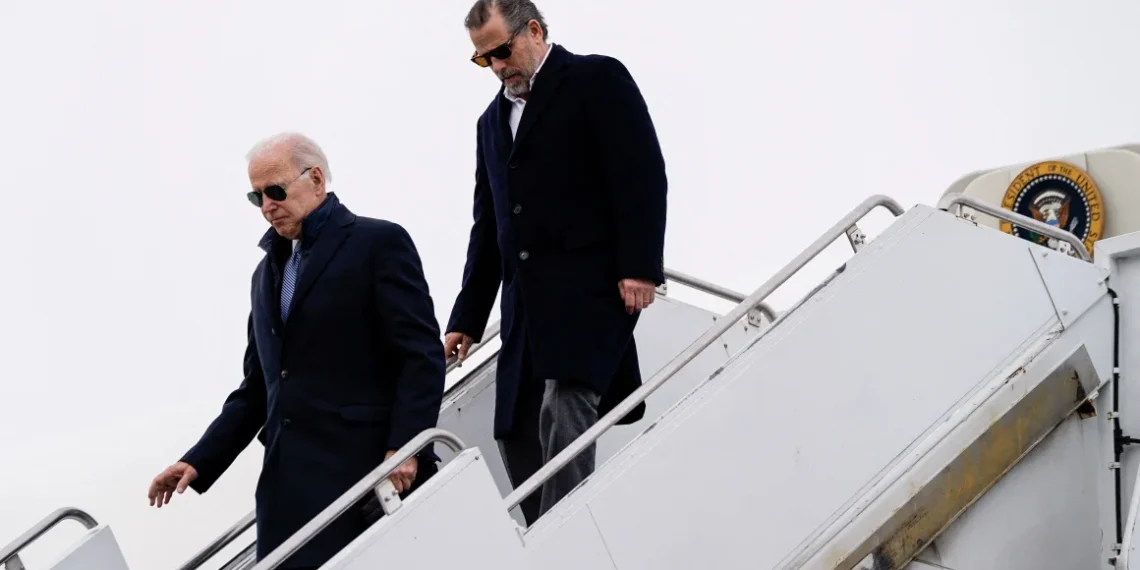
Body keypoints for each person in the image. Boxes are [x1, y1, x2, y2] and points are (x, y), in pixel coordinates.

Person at [147, 133, 446, 569]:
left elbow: (420, 355)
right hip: (286, 492)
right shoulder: (264, 276)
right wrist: (198, 460)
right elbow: (257, 389)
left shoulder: (377, 243)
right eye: (257, 197)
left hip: (366, 476)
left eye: (276, 191)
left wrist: (405, 449)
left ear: (317, 179)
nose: (267, 205)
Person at [445, 0, 668, 523]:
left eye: (502, 51)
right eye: (484, 60)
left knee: (565, 402)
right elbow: (489, 226)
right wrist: (467, 316)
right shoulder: (490, 123)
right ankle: (547, 533)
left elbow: (641, 173)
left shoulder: (596, 79)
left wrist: (639, 265)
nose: (498, 67)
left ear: (535, 30)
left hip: (590, 289)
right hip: (526, 305)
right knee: (514, 430)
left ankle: (565, 538)